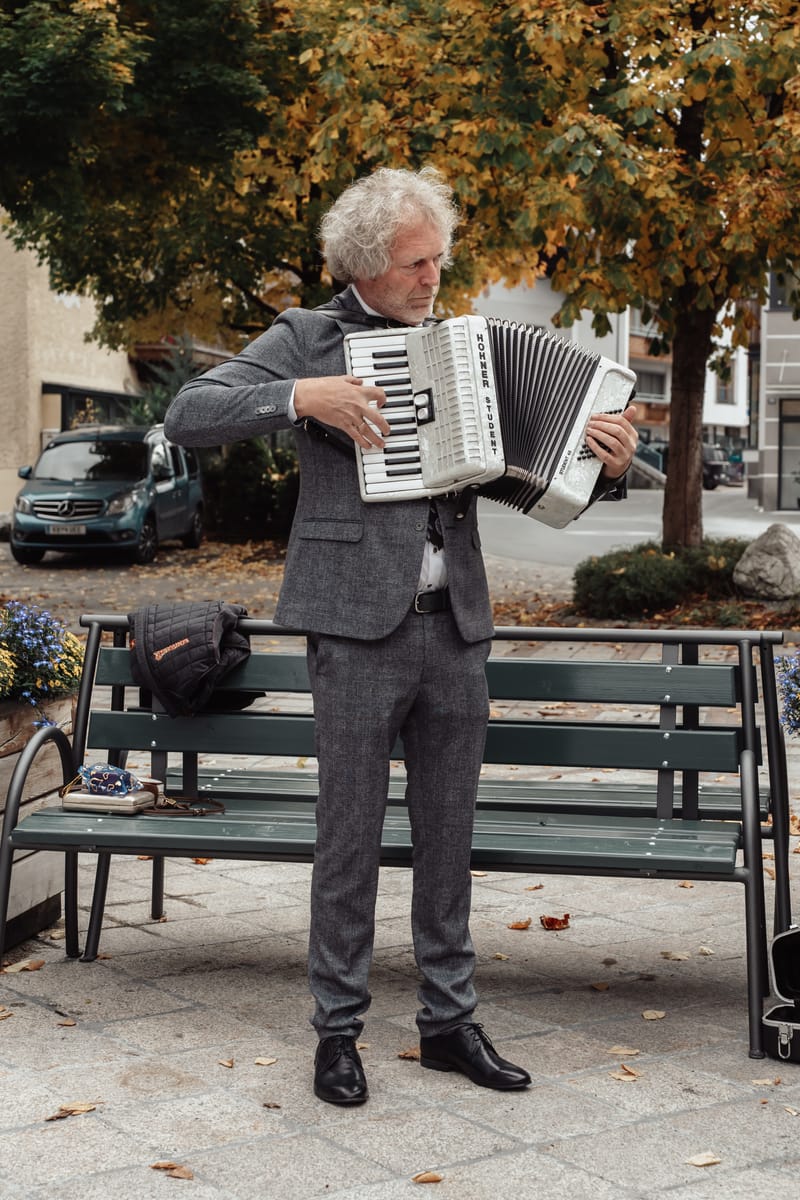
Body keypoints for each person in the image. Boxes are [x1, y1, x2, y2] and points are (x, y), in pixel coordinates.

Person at [164, 166, 638, 1106]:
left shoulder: (458, 347)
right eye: (418, 263)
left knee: (447, 837)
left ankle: (449, 1022)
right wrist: (304, 398)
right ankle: (336, 1033)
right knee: (346, 840)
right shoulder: (309, 337)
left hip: (455, 624)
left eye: (439, 260)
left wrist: (608, 466)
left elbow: (519, 476)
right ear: (370, 266)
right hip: (353, 625)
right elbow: (187, 413)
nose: (433, 278)